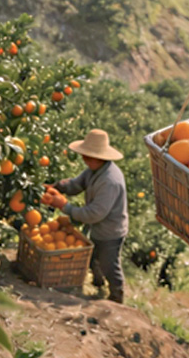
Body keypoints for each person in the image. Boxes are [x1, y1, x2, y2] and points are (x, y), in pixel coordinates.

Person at [43, 128, 129, 303]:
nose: (84, 159)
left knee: (109, 263)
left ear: (100, 157)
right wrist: (58, 187)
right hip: (98, 227)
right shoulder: (94, 170)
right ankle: (98, 281)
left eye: (87, 156)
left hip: (111, 231)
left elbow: (94, 214)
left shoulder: (109, 181)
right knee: (92, 257)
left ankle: (117, 295)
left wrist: (64, 206)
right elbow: (76, 184)